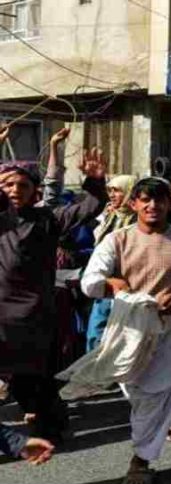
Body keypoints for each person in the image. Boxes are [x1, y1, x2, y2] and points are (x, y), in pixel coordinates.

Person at [81, 177, 171, 484]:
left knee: (155, 394)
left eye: (159, 199)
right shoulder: (116, 239)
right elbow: (89, 282)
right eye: (145, 199)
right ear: (134, 204)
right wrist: (113, 284)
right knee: (138, 393)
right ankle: (163, 420)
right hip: (128, 329)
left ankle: (141, 459)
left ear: (169, 203)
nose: (152, 205)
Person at [0, 149, 108, 443]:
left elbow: (91, 206)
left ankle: (50, 424)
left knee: (34, 382)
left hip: (34, 317)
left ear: (35, 191)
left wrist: (95, 180)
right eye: (7, 184)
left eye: (23, 185)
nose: (15, 190)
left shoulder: (47, 220)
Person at [85, 174, 139, 352]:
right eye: (110, 191)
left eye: (117, 190)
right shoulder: (109, 216)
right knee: (96, 332)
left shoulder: (140, 219)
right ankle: (96, 374)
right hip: (106, 283)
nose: (112, 195)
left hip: (131, 285)